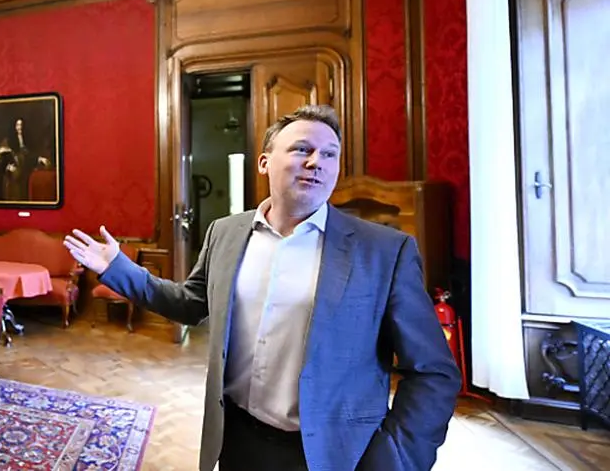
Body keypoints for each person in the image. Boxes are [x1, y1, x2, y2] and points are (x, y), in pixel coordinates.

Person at [64, 104, 460, 471]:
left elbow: (434, 374)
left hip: (333, 455)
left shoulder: (384, 251)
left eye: (329, 154)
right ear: (264, 162)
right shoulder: (225, 232)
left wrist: (394, 459)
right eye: (302, 149)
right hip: (237, 440)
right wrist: (117, 268)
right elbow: (190, 303)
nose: (316, 162)